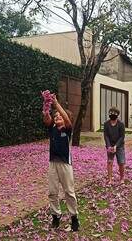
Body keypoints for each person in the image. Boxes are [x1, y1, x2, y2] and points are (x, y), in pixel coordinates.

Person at [43, 94, 79, 231]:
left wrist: (56, 103)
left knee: (69, 192)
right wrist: (46, 106)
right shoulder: (51, 128)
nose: (58, 117)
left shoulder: (67, 130)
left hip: (65, 164)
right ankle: (55, 216)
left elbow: (67, 120)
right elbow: (46, 118)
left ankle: (74, 218)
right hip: (53, 163)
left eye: (60, 116)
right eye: (56, 116)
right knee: (52, 192)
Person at [103, 106, 126, 185]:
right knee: (109, 161)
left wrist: (116, 146)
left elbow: (122, 136)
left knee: (121, 162)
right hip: (110, 145)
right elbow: (106, 136)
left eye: (114, 113)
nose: (112, 115)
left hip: (119, 146)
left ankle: (122, 178)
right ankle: (109, 179)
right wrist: (109, 146)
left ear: (117, 115)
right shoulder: (106, 124)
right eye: (111, 113)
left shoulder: (121, 124)